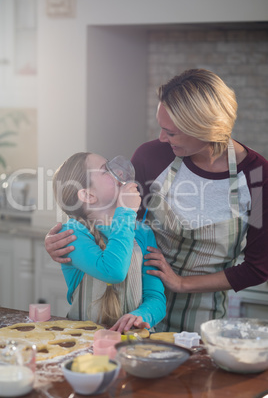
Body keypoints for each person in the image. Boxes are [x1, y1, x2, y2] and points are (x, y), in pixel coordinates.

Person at [45, 69, 268, 333]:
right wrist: (60, 237)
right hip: (130, 313)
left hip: (199, 319)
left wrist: (181, 283)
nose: (162, 138)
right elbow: (112, 219)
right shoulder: (152, 157)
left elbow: (256, 268)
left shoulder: (257, 178)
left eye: (171, 133)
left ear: (205, 129)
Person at [51, 151, 166, 333]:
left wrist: (142, 315)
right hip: (83, 345)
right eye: (106, 169)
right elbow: (113, 271)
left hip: (133, 345)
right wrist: (126, 212)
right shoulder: (72, 234)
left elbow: (155, 298)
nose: (119, 172)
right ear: (88, 196)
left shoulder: (143, 232)